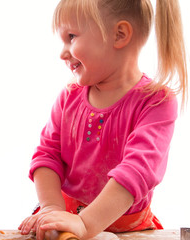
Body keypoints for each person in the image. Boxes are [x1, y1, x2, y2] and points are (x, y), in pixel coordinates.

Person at [19, 0, 188, 239]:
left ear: (119, 35)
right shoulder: (69, 96)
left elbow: (136, 172)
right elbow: (47, 155)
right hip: (68, 224)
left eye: (72, 37)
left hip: (127, 231)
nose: (62, 52)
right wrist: (51, 208)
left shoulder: (156, 102)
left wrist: (86, 224)